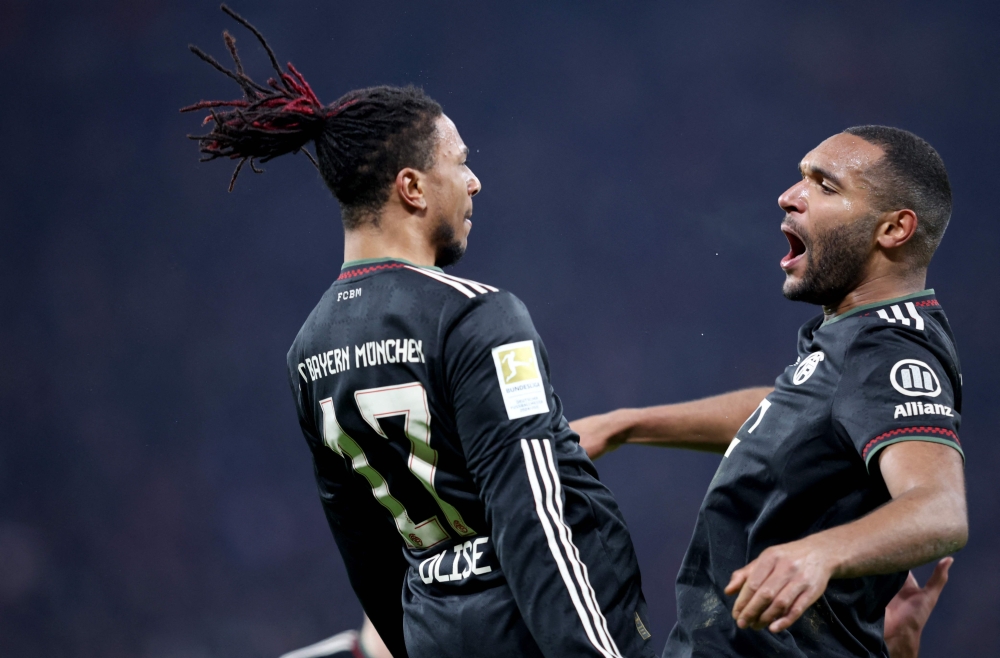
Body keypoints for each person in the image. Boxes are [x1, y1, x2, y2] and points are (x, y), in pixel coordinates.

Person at [184, 7, 654, 658]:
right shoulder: (478, 316)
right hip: (535, 635)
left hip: (440, 634)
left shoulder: (307, 353)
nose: (474, 181)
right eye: (459, 163)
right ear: (411, 187)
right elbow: (535, 519)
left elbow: (366, 551)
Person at [572, 126, 967, 657]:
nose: (789, 196)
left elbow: (940, 508)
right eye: (802, 176)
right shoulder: (852, 340)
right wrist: (630, 423)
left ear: (894, 229)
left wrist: (822, 553)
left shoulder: (888, 351)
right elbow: (788, 414)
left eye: (825, 187)